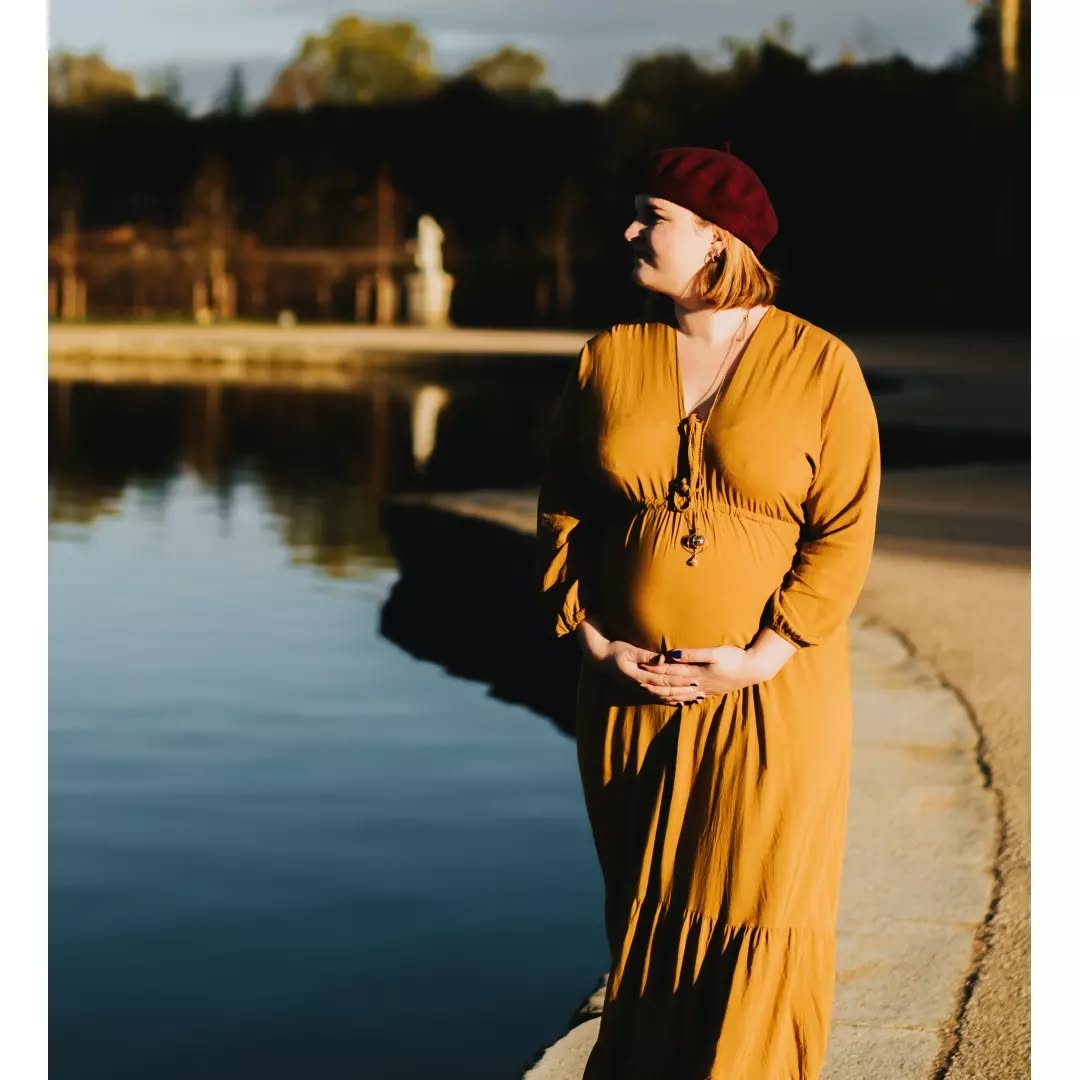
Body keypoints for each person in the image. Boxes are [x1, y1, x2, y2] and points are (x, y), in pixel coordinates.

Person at [536, 144, 881, 1079]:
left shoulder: (820, 365)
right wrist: (598, 641)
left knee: (759, 906)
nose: (631, 232)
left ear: (717, 237)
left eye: (653, 216)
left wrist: (762, 656)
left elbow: (844, 530)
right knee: (645, 918)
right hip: (626, 700)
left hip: (772, 696)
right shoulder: (612, 356)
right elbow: (564, 510)